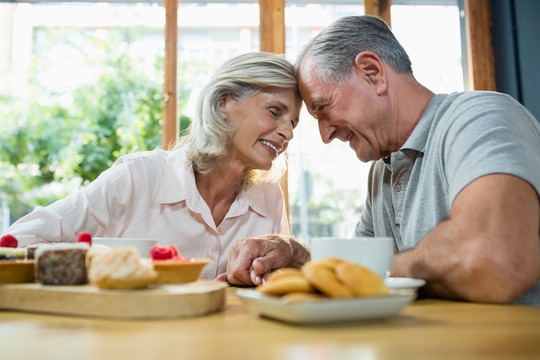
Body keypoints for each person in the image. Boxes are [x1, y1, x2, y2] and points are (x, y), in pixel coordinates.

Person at [221, 15, 540, 307]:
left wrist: (383, 269)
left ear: (372, 73)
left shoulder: (479, 116)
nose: (325, 134)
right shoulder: (382, 170)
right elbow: (350, 275)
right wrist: (297, 254)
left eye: (323, 107)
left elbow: (493, 259)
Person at [2, 52, 308, 280]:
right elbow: (19, 240)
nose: (288, 131)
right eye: (274, 111)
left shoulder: (269, 198)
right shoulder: (139, 177)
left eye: (293, 122)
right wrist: (102, 266)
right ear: (223, 104)